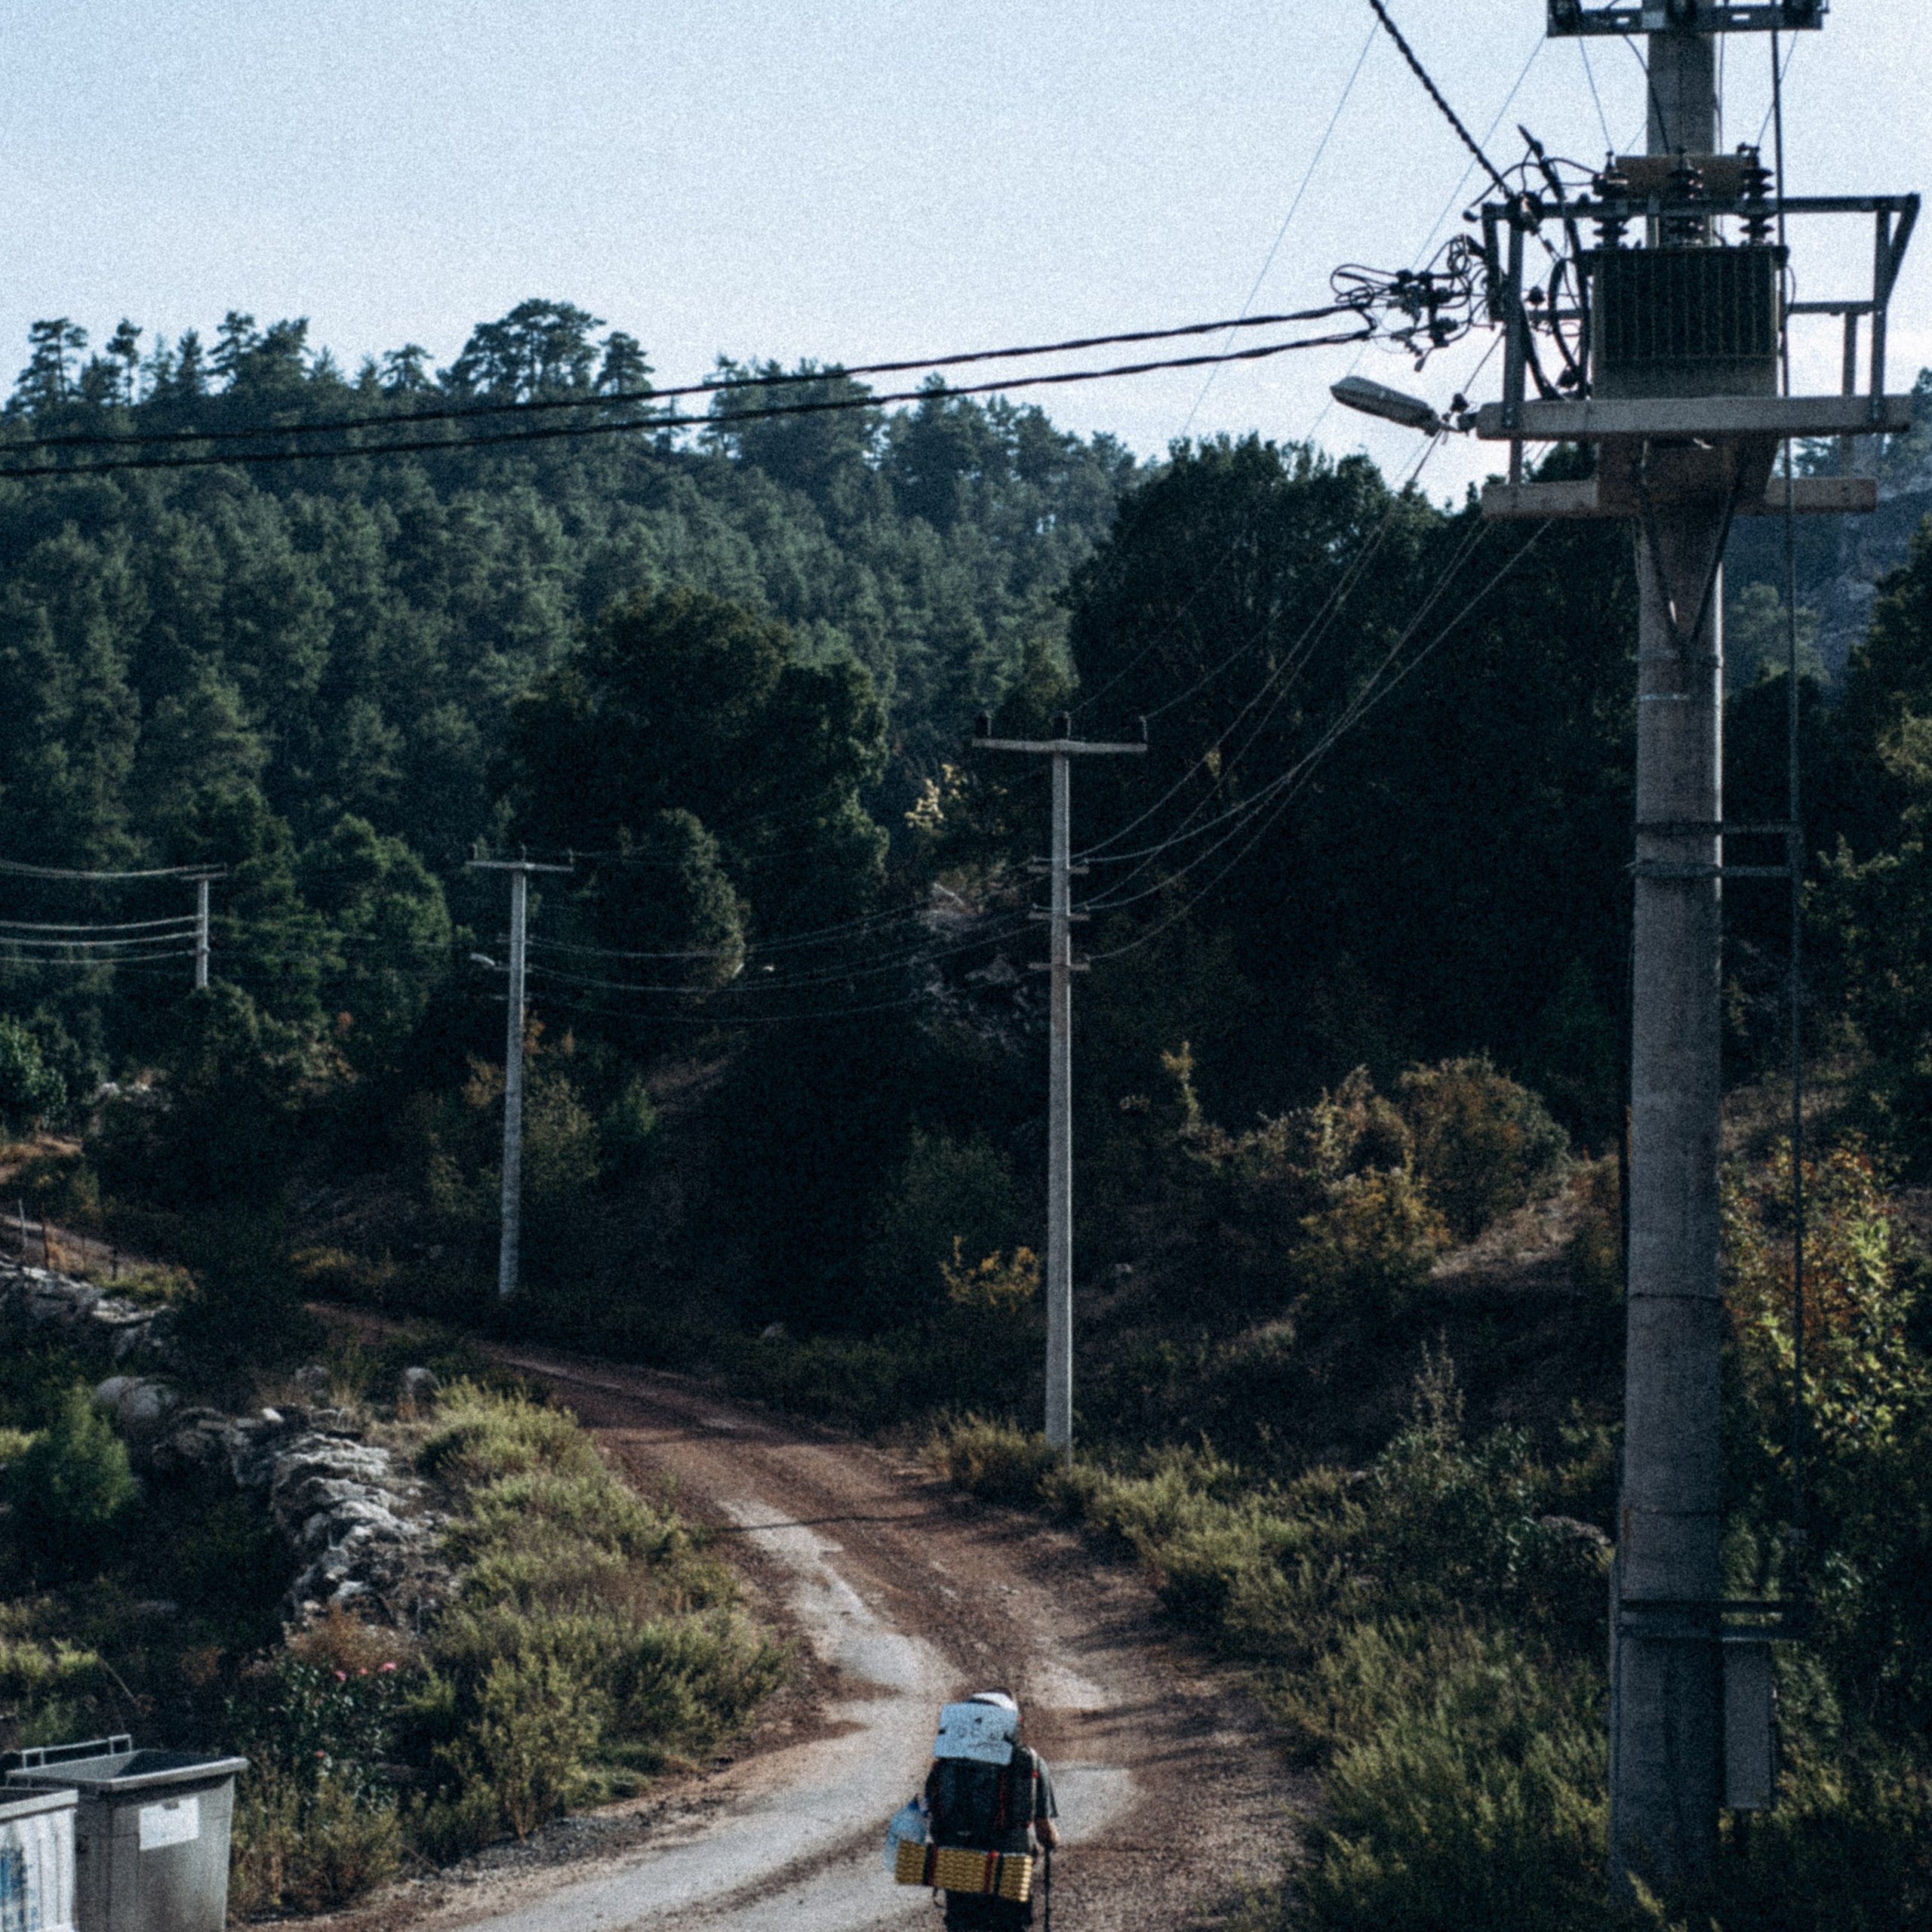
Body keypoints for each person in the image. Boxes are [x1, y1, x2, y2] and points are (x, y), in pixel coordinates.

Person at [923, 1690, 1060, 1930]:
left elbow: (935, 1817)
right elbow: (1044, 1832)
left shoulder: (947, 1763)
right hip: (1010, 1870)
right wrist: (1050, 1843)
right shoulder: (1030, 1762)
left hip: (959, 1866)